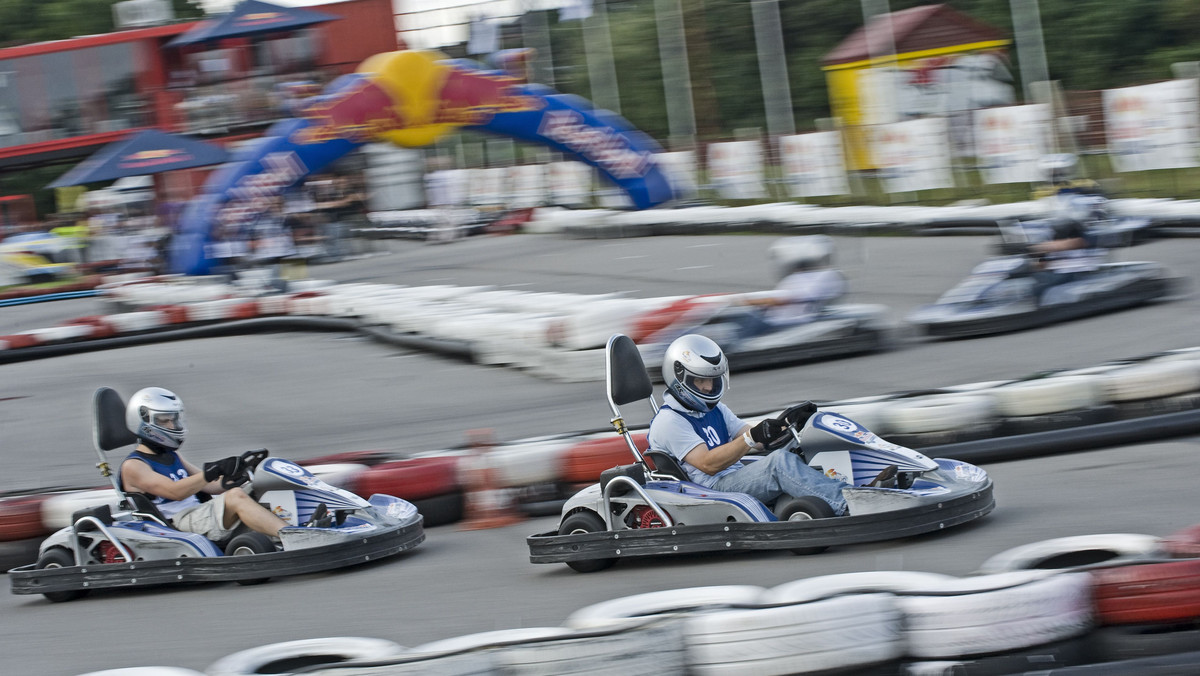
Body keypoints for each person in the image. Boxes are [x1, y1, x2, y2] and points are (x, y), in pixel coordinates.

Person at [645, 335, 896, 516]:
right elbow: (708, 464)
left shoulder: (714, 409)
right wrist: (750, 440)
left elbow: (749, 435)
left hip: (733, 475)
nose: (709, 388)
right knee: (778, 464)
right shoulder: (670, 421)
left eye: (711, 380)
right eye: (700, 381)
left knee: (797, 448)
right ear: (679, 377)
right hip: (710, 490)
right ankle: (848, 504)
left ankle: (859, 487)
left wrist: (783, 426)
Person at [117, 387, 328, 542]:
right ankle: (296, 537)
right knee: (235, 497)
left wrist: (238, 473)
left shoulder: (172, 456)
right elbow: (175, 492)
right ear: (145, 422)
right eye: (165, 421)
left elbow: (211, 486)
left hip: (199, 514)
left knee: (255, 486)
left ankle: (305, 524)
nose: (172, 425)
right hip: (178, 526)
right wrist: (212, 472)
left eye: (173, 419)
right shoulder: (134, 466)